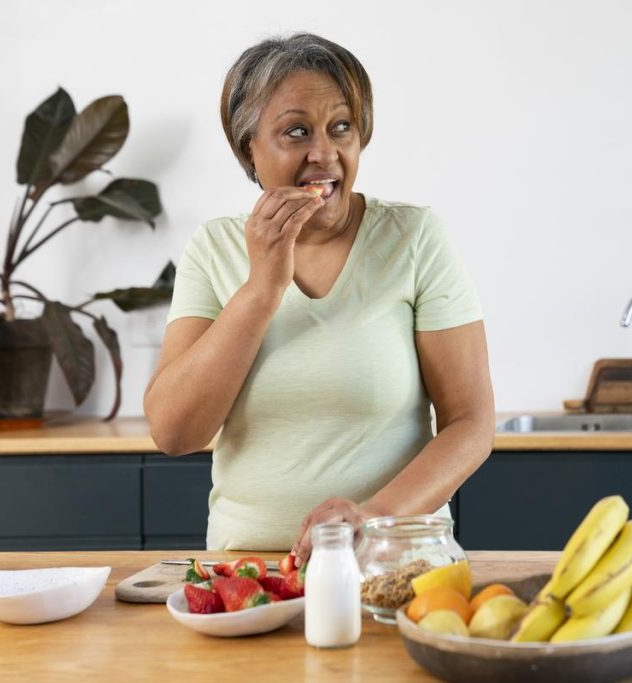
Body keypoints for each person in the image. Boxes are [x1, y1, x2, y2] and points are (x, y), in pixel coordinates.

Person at [144, 33, 495, 564]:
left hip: (393, 561)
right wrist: (262, 287)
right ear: (249, 150)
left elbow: (472, 423)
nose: (323, 154)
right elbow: (174, 431)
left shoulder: (414, 238)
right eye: (296, 132)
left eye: (341, 128)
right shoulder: (214, 247)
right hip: (248, 573)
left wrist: (371, 518)